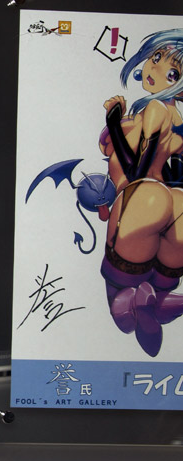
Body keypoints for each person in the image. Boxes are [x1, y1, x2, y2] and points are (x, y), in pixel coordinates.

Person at [99, 29, 183, 356]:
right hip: (175, 203)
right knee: (160, 279)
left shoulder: (156, 109)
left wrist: (113, 121)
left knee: (119, 292)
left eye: (172, 73)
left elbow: (136, 168)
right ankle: (156, 303)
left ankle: (132, 306)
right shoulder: (175, 116)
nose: (155, 69)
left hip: (144, 196)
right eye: (156, 57)